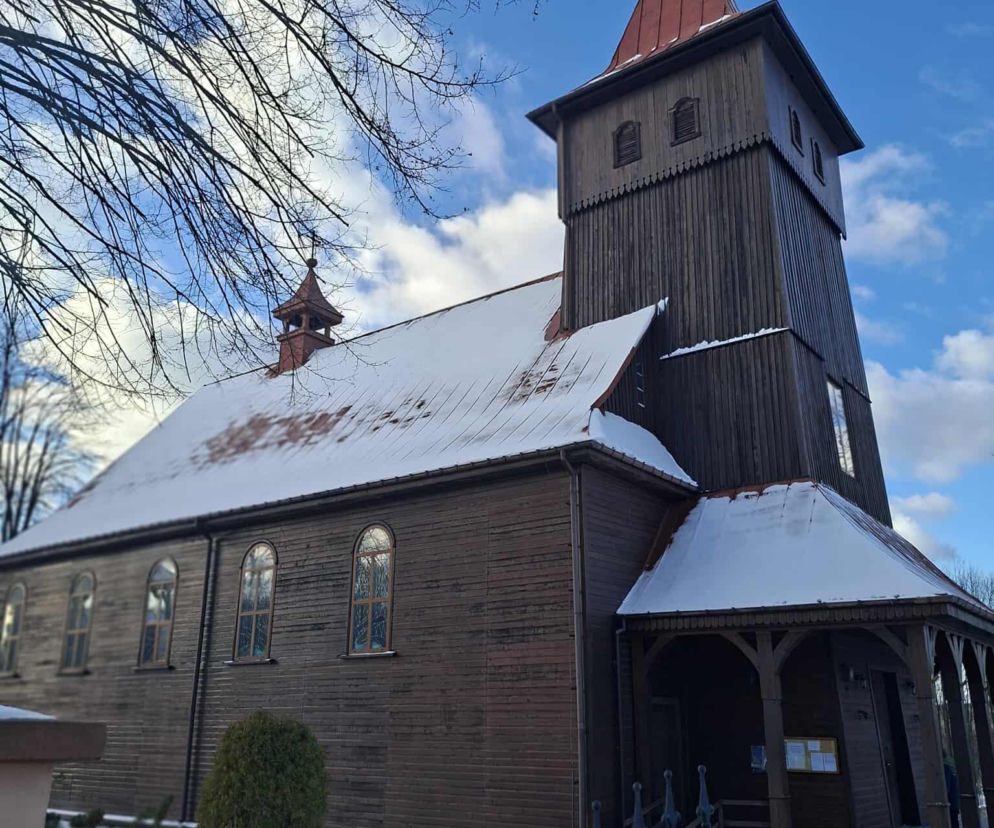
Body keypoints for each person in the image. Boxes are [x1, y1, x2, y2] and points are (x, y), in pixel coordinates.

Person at [944, 751, 960, 828]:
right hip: (954, 801)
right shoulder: (950, 763)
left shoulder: (944, 766)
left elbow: (946, 786)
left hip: (950, 802)